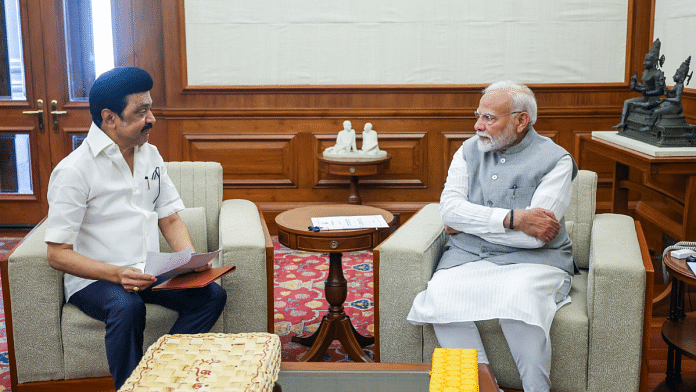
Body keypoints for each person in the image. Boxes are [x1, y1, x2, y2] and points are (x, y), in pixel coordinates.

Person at [44, 66, 227, 390]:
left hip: (147, 271)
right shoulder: (73, 171)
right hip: (96, 279)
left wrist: (192, 261)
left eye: (150, 108)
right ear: (110, 118)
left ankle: (157, 377)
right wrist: (116, 274)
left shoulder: (150, 155)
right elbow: (57, 254)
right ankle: (128, 386)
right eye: (141, 112)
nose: (151, 118)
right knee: (126, 308)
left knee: (211, 294)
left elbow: (169, 218)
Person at [407, 81, 578, 392]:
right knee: (440, 295)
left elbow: (534, 239)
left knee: (520, 299)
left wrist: (470, 221)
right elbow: (449, 212)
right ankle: (484, 386)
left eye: (489, 118)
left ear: (521, 120)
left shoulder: (558, 160)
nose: (478, 126)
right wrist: (511, 218)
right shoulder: (468, 150)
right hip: (467, 256)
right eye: (478, 116)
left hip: (536, 261)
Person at [613, 39, 666, 130]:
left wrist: (647, 93)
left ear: (654, 62)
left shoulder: (657, 74)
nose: (644, 63)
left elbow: (660, 91)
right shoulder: (644, 73)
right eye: (645, 60)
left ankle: (647, 125)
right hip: (645, 98)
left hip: (653, 100)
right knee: (627, 102)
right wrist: (635, 85)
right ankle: (623, 122)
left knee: (635, 104)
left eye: (648, 61)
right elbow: (643, 88)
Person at [642, 56, 692, 132]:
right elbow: (671, 96)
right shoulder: (677, 85)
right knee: (657, 105)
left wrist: (666, 98)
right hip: (670, 104)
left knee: (656, 111)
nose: (674, 76)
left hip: (675, 107)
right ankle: (655, 122)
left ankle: (649, 126)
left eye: (677, 74)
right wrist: (665, 91)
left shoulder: (680, 86)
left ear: (682, 76)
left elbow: (677, 99)